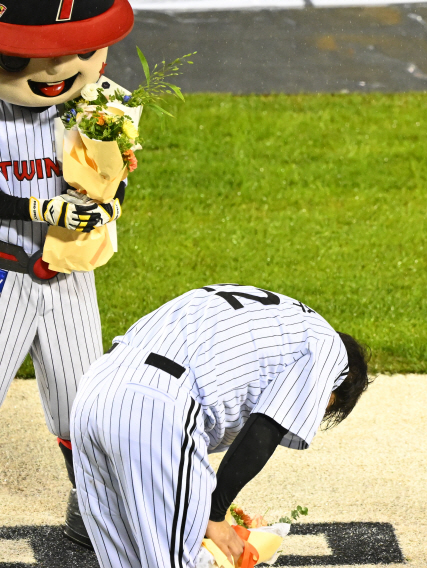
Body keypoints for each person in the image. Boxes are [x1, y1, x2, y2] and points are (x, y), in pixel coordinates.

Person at [70, 283, 371, 568]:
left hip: (94, 389)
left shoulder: (278, 318)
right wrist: (213, 514)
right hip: (155, 405)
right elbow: (263, 431)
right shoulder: (331, 353)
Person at [0, 0, 133, 548]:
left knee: (85, 405)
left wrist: (109, 203)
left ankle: (93, 510)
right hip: (3, 276)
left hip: (70, 280)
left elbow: (115, 175)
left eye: (71, 51)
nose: (53, 70)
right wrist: (40, 210)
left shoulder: (105, 107)